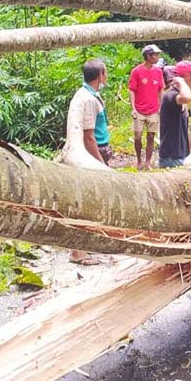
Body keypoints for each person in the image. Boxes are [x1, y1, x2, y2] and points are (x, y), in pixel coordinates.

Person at [67, 59, 111, 265]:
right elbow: (89, 136)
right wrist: (100, 164)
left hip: (87, 152)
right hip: (92, 154)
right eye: (106, 72)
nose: (107, 75)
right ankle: (78, 252)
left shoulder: (85, 94)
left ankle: (88, 245)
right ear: (100, 75)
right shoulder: (89, 100)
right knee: (88, 203)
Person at [128, 44, 166, 170]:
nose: (157, 57)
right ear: (148, 56)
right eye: (155, 54)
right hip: (139, 109)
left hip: (153, 109)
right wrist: (133, 108)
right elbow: (132, 90)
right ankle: (139, 159)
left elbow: (161, 89)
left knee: (151, 136)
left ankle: (148, 162)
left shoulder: (158, 71)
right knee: (137, 136)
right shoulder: (136, 71)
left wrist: (161, 105)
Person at [159, 61, 191, 168]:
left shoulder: (179, 96)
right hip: (171, 158)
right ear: (185, 77)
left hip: (181, 155)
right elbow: (188, 97)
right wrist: (181, 82)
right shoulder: (171, 95)